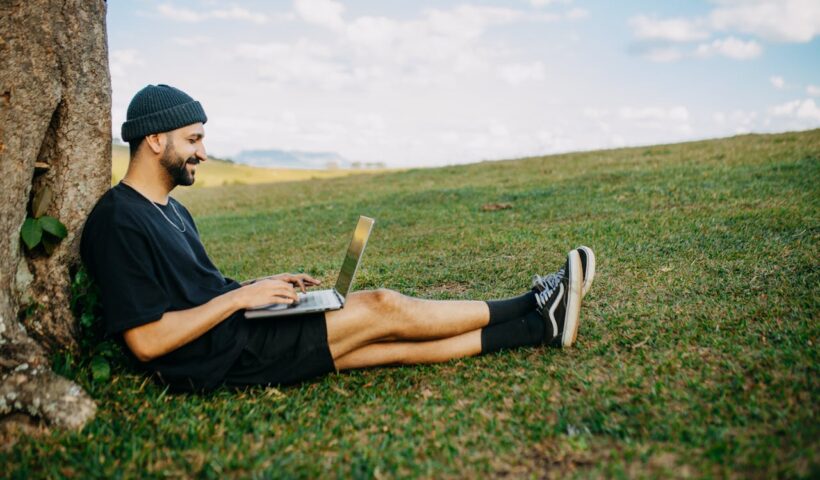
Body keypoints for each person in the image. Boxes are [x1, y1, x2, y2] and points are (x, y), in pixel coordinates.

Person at [81, 84, 596, 392]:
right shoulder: (118, 220)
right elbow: (147, 342)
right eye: (193, 139)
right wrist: (241, 299)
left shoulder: (170, 210)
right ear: (154, 140)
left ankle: (537, 330)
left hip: (234, 336)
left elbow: (199, 292)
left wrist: (263, 286)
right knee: (380, 307)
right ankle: (534, 301)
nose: (203, 152)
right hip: (216, 358)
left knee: (379, 345)